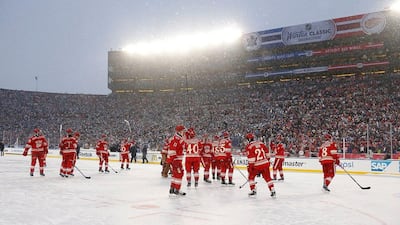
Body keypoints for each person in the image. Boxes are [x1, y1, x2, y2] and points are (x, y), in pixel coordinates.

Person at [245, 133, 276, 198]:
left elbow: (251, 160)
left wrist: (250, 168)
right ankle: (272, 190)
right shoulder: (261, 143)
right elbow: (267, 154)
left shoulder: (249, 147)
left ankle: (253, 190)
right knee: (268, 178)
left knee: (251, 177)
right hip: (265, 163)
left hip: (256, 165)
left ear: (249, 139)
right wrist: (267, 160)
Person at [168, 125, 187, 196]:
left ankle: (172, 188)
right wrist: (174, 160)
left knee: (175, 174)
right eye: (183, 131)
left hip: (177, 160)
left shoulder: (179, 138)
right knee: (179, 174)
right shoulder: (176, 139)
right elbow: (172, 150)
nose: (184, 132)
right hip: (176, 160)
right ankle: (176, 189)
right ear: (180, 131)